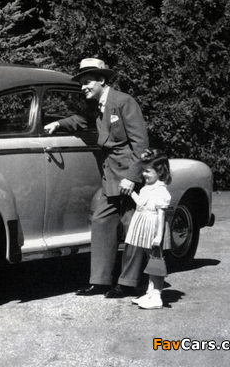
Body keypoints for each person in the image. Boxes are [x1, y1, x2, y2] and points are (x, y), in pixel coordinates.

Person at [45, 58, 149, 298]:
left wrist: (133, 177)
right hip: (110, 176)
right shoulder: (95, 105)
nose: (83, 87)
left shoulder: (124, 102)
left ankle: (128, 283)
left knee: (132, 228)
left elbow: (141, 145)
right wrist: (58, 124)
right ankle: (100, 281)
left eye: (87, 82)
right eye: (81, 83)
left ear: (102, 80)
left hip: (127, 178)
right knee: (102, 222)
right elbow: (80, 121)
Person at [126, 149, 172, 309]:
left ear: (159, 171)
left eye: (147, 171)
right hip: (144, 225)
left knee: (156, 262)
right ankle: (149, 292)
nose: (144, 174)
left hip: (153, 228)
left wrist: (158, 236)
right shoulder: (147, 187)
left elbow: (160, 215)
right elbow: (141, 203)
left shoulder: (160, 190)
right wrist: (131, 193)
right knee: (149, 260)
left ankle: (157, 295)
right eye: (143, 170)